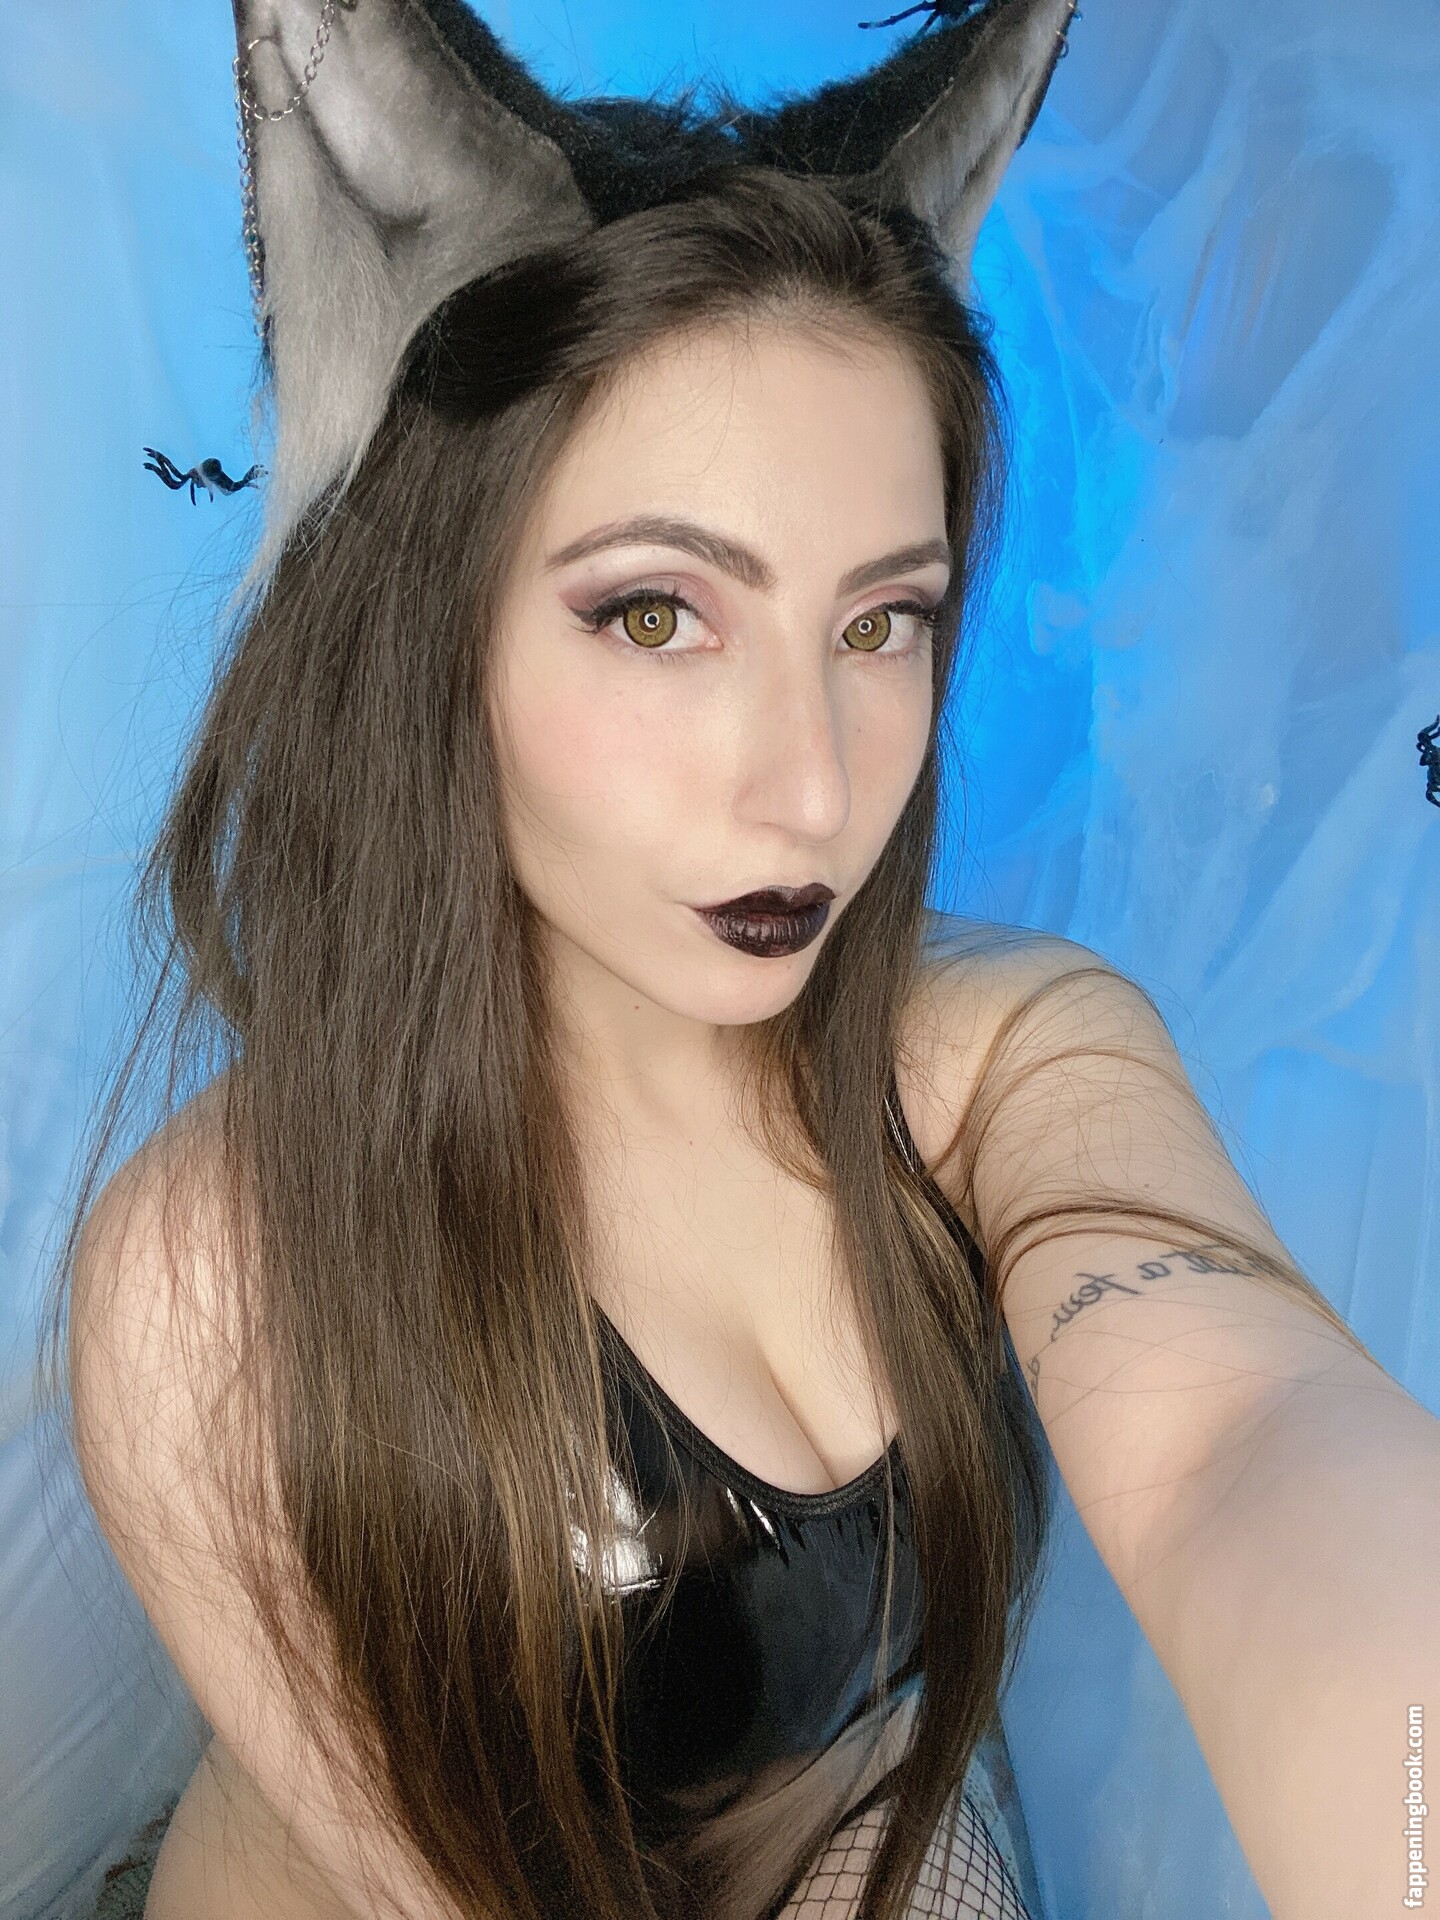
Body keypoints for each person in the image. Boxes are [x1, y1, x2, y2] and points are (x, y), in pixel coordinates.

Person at [42, 3, 1440, 1917]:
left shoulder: (1000, 1055)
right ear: (433, 635)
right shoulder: (217, 1278)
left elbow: (1230, 1434)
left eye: (880, 625)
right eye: (654, 613)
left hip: (846, 1828)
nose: (812, 790)